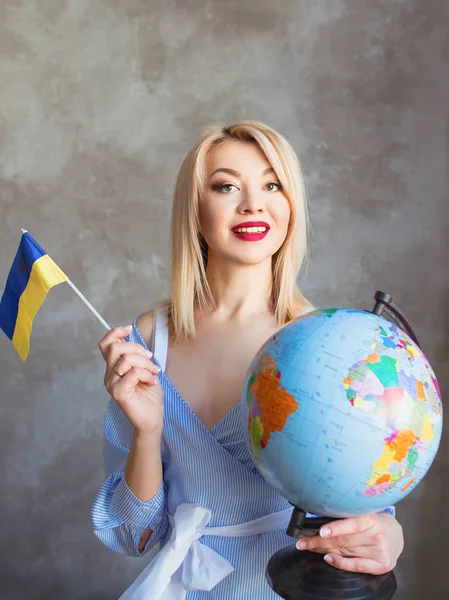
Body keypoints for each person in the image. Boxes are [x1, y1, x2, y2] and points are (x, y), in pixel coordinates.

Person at [92, 121, 404, 599]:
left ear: (291, 204)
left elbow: (370, 507)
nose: (253, 204)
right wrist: (147, 432)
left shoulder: (330, 346)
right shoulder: (143, 344)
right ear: (195, 209)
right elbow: (134, 536)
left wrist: (388, 536)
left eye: (272, 184)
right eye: (226, 186)